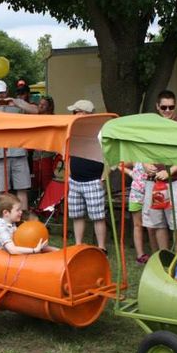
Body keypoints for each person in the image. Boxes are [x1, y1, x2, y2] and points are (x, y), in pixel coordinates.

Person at [143, 90, 177, 250]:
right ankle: (164, 261)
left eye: (171, 107)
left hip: (176, 182)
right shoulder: (151, 126)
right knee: (158, 224)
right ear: (157, 106)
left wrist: (169, 172)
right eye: (164, 107)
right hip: (154, 182)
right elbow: (142, 150)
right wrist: (145, 164)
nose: (168, 111)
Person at [67, 99, 108, 251]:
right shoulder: (73, 129)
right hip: (75, 180)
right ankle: (78, 246)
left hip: (93, 180)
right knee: (77, 215)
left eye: (76, 112)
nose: (73, 114)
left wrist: (103, 177)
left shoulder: (100, 132)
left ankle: (102, 248)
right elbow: (68, 151)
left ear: (85, 114)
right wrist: (69, 173)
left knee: (98, 216)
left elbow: (110, 156)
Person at [0, 80, 34, 208]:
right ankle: (6, 221)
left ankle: (23, 220)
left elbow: (36, 111)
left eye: (2, 92)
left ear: (7, 90)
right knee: (2, 191)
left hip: (18, 151)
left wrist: (17, 103)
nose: (1, 96)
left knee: (22, 188)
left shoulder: (17, 103)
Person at [124, 162, 155, 264]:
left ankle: (155, 254)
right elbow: (121, 165)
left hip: (151, 192)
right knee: (137, 225)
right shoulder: (135, 158)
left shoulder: (152, 158)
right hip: (136, 194)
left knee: (151, 226)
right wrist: (131, 173)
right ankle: (140, 254)